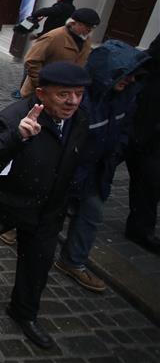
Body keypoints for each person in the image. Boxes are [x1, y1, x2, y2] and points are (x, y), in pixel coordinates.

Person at [0, 62, 91, 350]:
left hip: (48, 211)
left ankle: (24, 313)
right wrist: (18, 136)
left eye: (79, 94)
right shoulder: (15, 116)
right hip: (5, 202)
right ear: (41, 93)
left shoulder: (80, 120)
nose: (73, 101)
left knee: (37, 264)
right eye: (64, 94)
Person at [55, 40, 149, 292]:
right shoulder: (80, 100)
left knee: (91, 215)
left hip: (97, 171)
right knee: (49, 213)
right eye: (125, 75)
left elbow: (123, 131)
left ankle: (73, 261)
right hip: (68, 171)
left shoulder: (125, 97)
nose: (129, 81)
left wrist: (113, 156)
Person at [125, 34, 160, 253]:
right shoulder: (148, 68)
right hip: (141, 129)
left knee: (149, 184)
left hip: (148, 133)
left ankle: (140, 228)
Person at [20, 8, 100, 97]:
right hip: (39, 93)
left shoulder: (86, 41)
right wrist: (42, 83)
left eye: (92, 28)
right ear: (73, 23)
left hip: (64, 94)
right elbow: (31, 60)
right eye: (87, 28)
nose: (89, 31)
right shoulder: (53, 37)